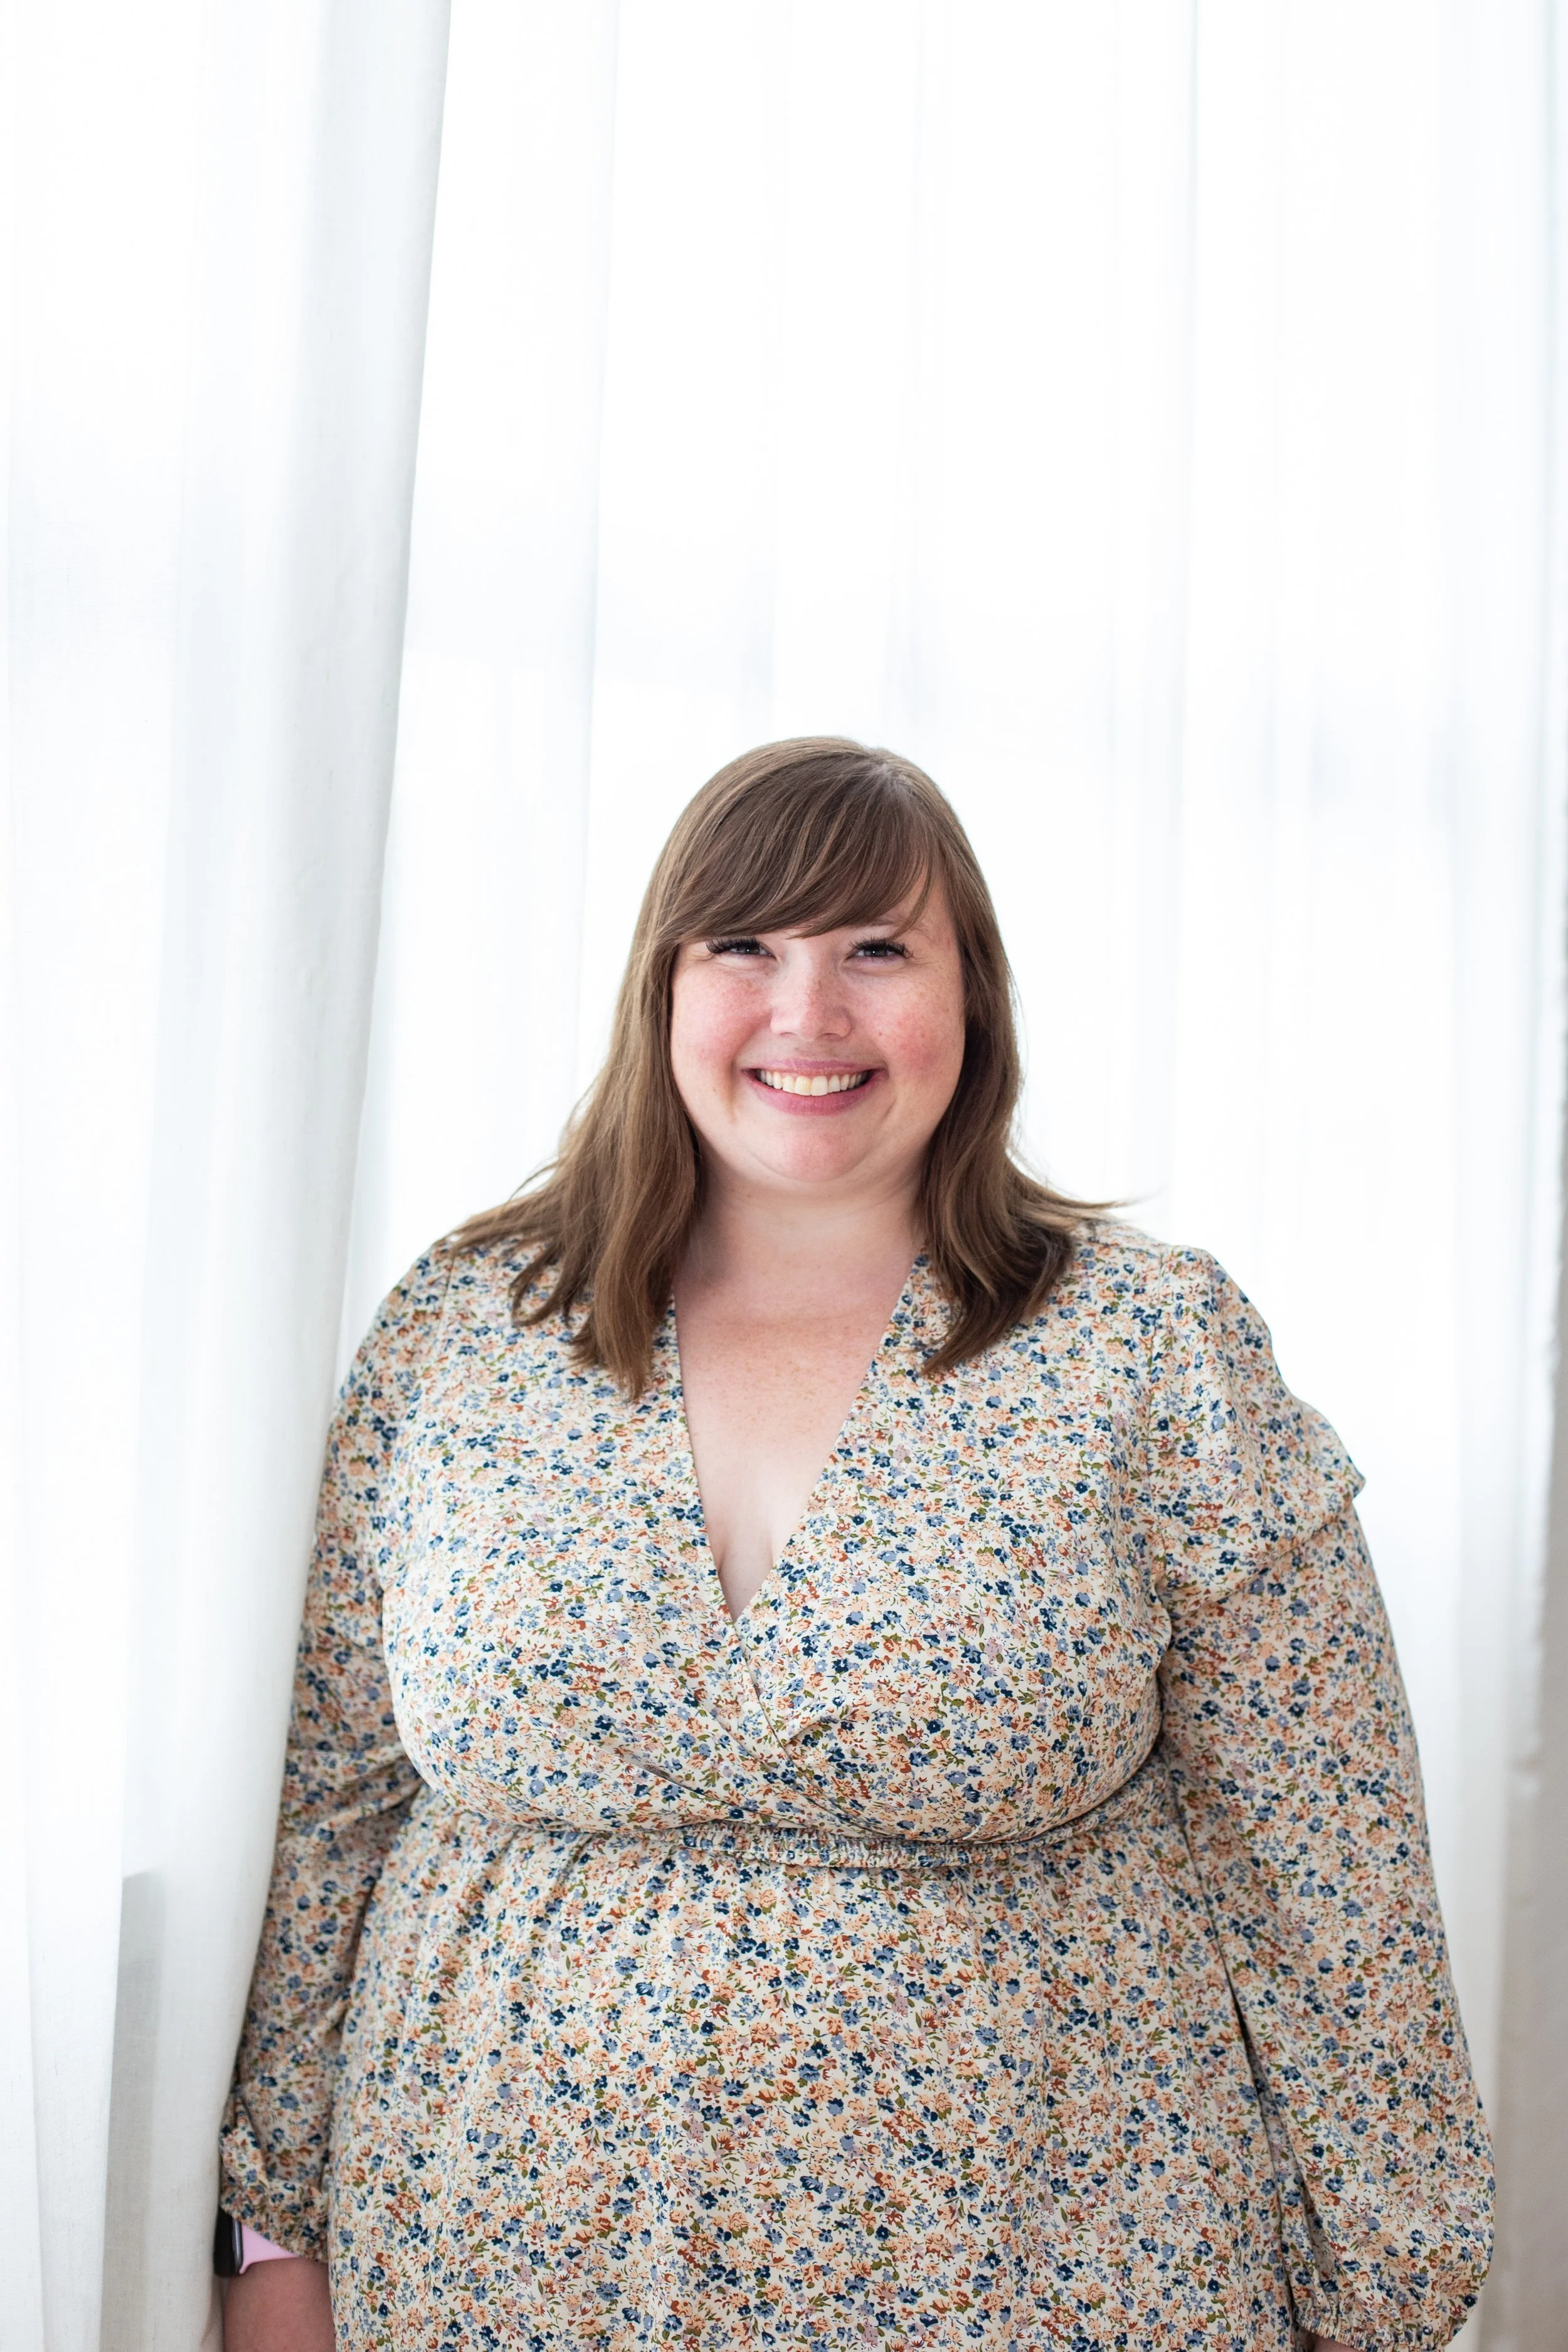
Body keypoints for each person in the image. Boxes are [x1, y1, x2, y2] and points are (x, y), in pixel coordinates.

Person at [219, 739, 1491, 2351]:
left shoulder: (1152, 1348)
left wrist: (1381, 2302)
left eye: (875, 950)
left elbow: (1330, 1875)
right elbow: (330, 1807)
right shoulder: (465, 1331)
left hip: (1058, 2274)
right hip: (493, 2266)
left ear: (973, 996)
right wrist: (275, 2246)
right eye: (742, 946)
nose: (805, 1017)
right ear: (661, 990)